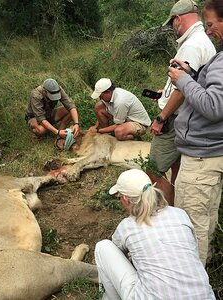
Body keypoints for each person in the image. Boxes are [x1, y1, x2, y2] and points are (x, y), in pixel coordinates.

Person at [94, 169, 215, 300]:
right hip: (204, 296)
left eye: (119, 197)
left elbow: (117, 253)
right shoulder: (180, 214)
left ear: (125, 199)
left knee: (103, 247)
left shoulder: (127, 226)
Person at [168, 0, 223, 267]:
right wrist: (194, 73)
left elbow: (214, 106)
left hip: (202, 158)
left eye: (211, 24)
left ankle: (191, 282)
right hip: (212, 152)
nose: (209, 30)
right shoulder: (219, 56)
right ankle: (203, 266)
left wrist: (183, 80)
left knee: (192, 223)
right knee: (205, 216)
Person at [148, 0, 216, 205]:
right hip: (189, 117)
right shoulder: (202, 41)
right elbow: (190, 83)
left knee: (152, 169)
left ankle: (165, 212)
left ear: (178, 19)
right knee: (177, 165)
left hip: (176, 118)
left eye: (171, 24)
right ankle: (177, 205)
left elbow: (181, 92)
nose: (171, 28)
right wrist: (164, 93)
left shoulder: (192, 46)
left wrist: (161, 117)